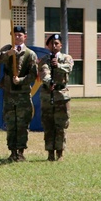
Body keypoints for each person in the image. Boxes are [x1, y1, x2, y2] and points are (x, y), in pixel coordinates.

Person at [0, 25, 38, 162]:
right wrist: (8, 54)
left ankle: (21, 151)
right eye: (15, 34)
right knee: (11, 124)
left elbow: (33, 75)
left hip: (23, 94)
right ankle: (12, 151)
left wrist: (21, 80)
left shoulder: (30, 54)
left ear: (25, 37)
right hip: (9, 94)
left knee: (22, 124)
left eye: (20, 35)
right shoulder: (7, 50)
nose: (17, 37)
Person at [38, 33, 75, 161]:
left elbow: (69, 68)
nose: (54, 46)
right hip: (48, 95)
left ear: (61, 45)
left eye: (56, 44)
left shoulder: (66, 58)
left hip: (61, 96)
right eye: (51, 44)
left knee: (61, 124)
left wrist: (58, 65)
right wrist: (50, 82)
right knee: (48, 124)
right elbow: (43, 72)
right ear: (48, 45)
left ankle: (60, 153)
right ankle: (50, 153)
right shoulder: (44, 59)